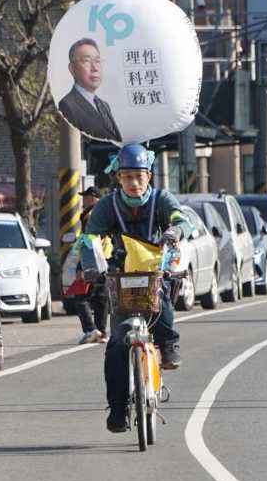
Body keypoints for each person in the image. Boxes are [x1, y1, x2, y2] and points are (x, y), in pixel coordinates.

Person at [81, 143, 191, 433]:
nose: (134, 183)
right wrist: (92, 265)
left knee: (162, 297)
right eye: (127, 176)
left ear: (149, 176)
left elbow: (181, 219)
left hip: (155, 270)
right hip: (121, 277)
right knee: (117, 344)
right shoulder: (107, 206)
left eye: (139, 176)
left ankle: (169, 346)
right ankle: (117, 410)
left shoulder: (161, 199)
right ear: (118, 177)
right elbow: (90, 237)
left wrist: (174, 231)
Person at [58, 38, 123, 142]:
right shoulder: (67, 105)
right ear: (72, 68)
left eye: (97, 61)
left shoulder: (103, 105)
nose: (95, 68)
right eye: (86, 61)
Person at [73, 187, 108, 344]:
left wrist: (81, 267)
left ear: (95, 198)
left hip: (93, 259)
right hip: (105, 258)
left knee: (81, 296)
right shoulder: (104, 212)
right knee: (101, 297)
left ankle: (91, 329)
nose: (84, 200)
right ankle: (102, 331)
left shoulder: (92, 215)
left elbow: (89, 241)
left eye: (86, 197)